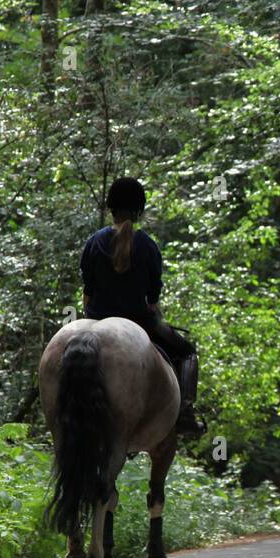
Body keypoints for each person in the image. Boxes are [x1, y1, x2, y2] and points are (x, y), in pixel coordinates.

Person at [80, 176, 204, 436]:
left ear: (110, 208)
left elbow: (87, 294)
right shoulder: (147, 246)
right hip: (140, 321)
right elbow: (152, 300)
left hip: (94, 319)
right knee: (188, 352)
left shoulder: (94, 241)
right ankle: (185, 413)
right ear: (139, 211)